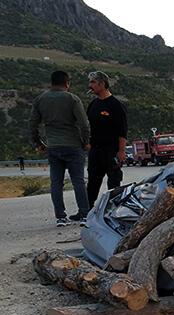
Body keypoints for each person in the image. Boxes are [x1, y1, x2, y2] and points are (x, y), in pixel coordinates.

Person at [28, 70, 91, 227]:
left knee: (56, 183)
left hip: (53, 146)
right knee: (78, 182)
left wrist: (38, 143)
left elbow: (32, 124)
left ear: (52, 82)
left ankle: (60, 217)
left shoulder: (40, 99)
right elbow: (84, 124)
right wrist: (86, 142)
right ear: (67, 83)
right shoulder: (72, 99)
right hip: (73, 145)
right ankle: (84, 214)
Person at [86, 71, 127, 208]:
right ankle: (87, 210)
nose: (89, 85)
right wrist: (87, 144)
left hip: (111, 150)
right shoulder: (93, 105)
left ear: (102, 84)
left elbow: (122, 130)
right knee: (92, 180)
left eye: (92, 82)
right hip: (95, 150)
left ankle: (113, 209)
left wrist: (121, 151)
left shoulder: (115, 105)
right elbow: (87, 126)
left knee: (113, 181)